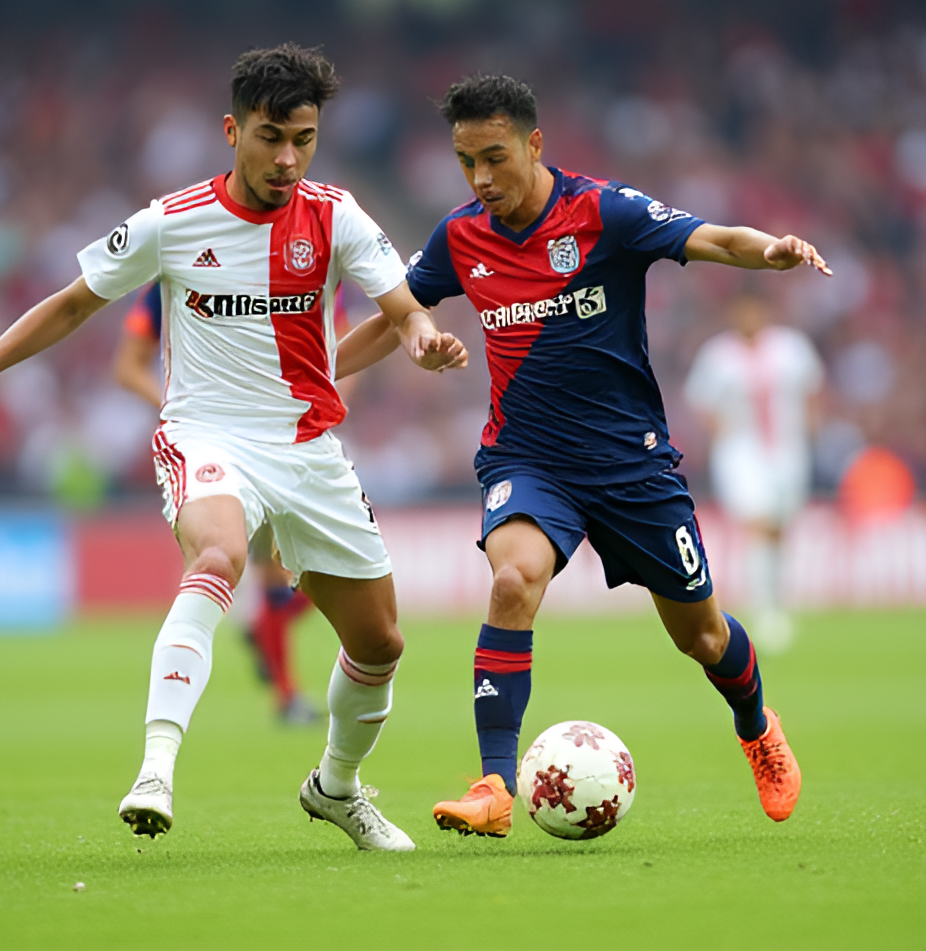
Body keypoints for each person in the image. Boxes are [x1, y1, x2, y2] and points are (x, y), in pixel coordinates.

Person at [0, 43, 467, 851]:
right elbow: (72, 305)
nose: (288, 157)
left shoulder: (335, 213)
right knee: (216, 558)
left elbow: (402, 304)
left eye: (304, 139)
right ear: (232, 130)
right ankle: (156, 768)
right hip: (206, 431)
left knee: (380, 642)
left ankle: (337, 789)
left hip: (306, 444)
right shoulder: (171, 222)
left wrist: (422, 337)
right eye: (271, 136)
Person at [337, 74, 830, 837]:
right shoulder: (460, 236)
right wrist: (316, 373)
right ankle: (495, 788)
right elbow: (401, 309)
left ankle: (757, 726)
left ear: (535, 144)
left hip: (632, 468)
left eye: (495, 157)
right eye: (467, 161)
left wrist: (771, 252)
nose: (481, 178)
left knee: (700, 635)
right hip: (527, 459)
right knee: (511, 581)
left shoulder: (604, 212)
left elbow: (714, 238)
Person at [115, 281, 323, 724]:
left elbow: (335, 341)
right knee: (273, 572)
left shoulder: (285, 267)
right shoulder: (169, 278)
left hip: (291, 437)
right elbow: (128, 367)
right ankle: (286, 694)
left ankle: (264, 631)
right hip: (221, 455)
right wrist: (181, 411)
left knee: (316, 572)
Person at [684, 292, 824, 653]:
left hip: (787, 450)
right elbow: (701, 402)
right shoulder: (718, 355)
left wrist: (811, 432)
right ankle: (765, 613)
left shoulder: (791, 348)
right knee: (757, 522)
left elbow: (812, 391)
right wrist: (721, 438)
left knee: (777, 529)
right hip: (741, 453)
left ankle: (776, 602)